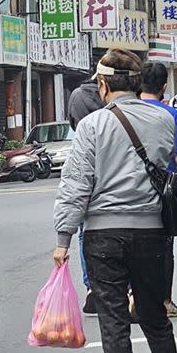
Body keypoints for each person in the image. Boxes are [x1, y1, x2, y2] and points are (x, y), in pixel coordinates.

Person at [53, 49, 177, 353]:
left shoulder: (93, 126)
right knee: (155, 317)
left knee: (114, 322)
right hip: (152, 231)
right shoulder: (164, 119)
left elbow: (76, 186)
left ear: (103, 84)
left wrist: (63, 238)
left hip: (104, 234)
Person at [138, 63, 177, 319]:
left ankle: (133, 298)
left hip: (125, 189)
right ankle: (164, 301)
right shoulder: (175, 116)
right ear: (163, 87)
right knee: (163, 246)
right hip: (161, 189)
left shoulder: (120, 113)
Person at [67, 68, 106, 314]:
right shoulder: (111, 99)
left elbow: (73, 124)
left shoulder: (76, 97)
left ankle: (91, 285)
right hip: (112, 165)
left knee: (84, 231)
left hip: (84, 164)